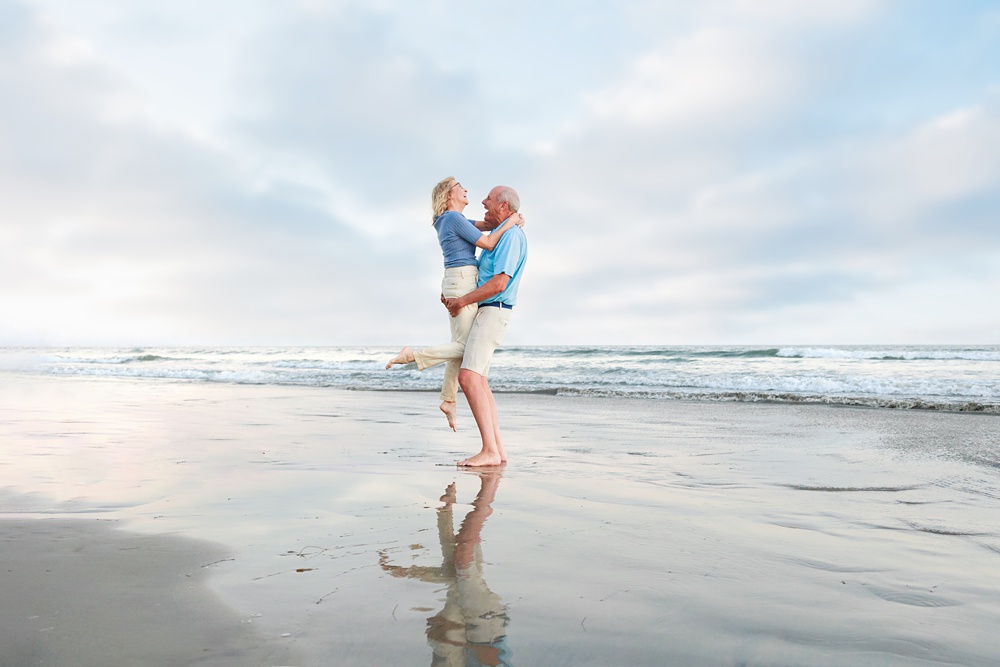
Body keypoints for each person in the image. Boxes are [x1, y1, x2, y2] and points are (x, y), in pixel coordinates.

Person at [386, 177, 523, 431]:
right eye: (461, 186)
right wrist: (512, 222)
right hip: (461, 280)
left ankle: (449, 399)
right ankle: (413, 356)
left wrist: (511, 219)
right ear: (449, 195)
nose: (467, 190)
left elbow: (491, 224)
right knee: (463, 346)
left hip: (456, 279)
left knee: (459, 345)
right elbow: (490, 242)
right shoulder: (453, 219)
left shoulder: (453, 221)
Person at [443, 185, 527, 467]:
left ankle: (489, 450)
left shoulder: (511, 236)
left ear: (503, 207)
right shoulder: (502, 232)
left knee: (467, 377)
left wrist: (463, 299)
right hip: (488, 311)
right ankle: (498, 450)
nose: (482, 202)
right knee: (479, 380)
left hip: (494, 311)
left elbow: (499, 283)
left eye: (488, 200)